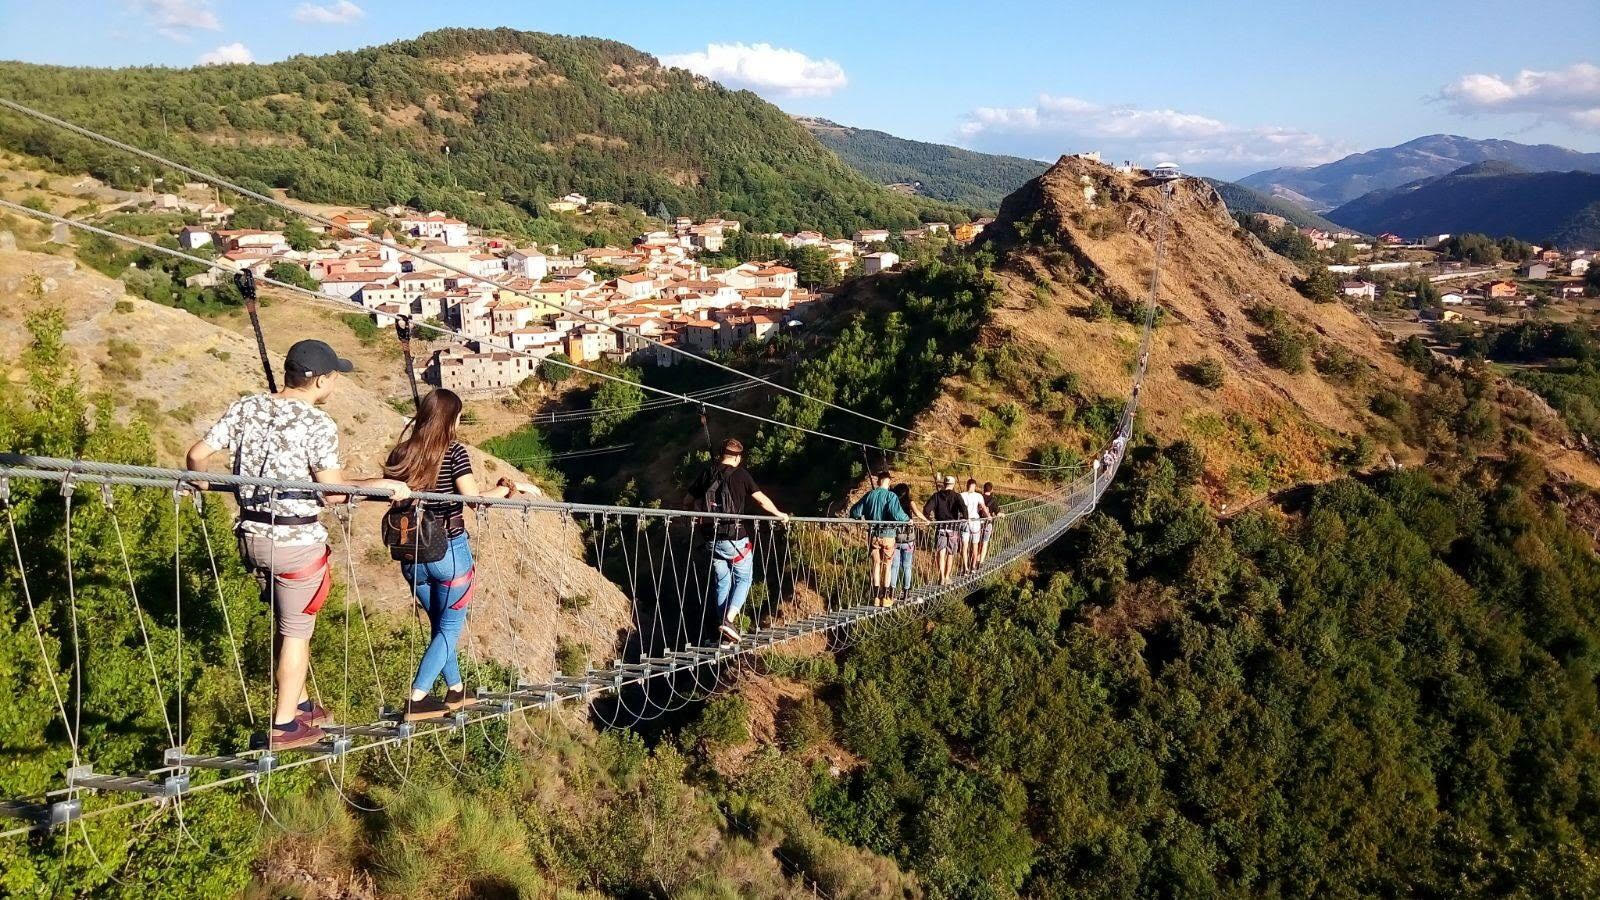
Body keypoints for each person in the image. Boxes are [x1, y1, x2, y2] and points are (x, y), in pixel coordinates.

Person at [187, 339, 411, 751]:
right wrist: (383, 485)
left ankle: (302, 702)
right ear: (321, 380)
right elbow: (334, 493)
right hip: (296, 546)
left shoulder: (247, 407)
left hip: (250, 538)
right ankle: (285, 725)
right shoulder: (318, 424)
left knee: (288, 624)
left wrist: (201, 482)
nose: (335, 387)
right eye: (334, 380)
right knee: (295, 633)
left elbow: (197, 454)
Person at [382, 388, 535, 722]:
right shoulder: (453, 452)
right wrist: (508, 489)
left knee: (440, 624)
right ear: (451, 419)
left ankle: (455, 689)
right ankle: (418, 697)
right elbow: (474, 500)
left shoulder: (401, 453)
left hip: (411, 557)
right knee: (450, 628)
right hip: (448, 552)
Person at [687, 439, 788, 645]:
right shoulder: (741, 475)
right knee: (744, 579)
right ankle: (728, 621)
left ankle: (722, 633)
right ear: (737, 457)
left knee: (722, 582)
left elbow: (687, 501)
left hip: (710, 538)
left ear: (721, 454)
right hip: (734, 539)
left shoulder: (707, 473)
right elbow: (760, 499)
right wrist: (780, 514)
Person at [849, 470, 909, 606]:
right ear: (889, 482)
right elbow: (898, 515)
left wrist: (863, 517)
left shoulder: (869, 495)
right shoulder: (891, 496)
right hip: (888, 535)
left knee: (876, 564)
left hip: (874, 535)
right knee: (887, 565)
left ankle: (876, 597)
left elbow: (855, 512)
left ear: (878, 481)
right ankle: (886, 597)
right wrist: (907, 519)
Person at [922, 475, 966, 585]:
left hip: (940, 527)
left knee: (941, 553)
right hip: (953, 528)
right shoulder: (957, 496)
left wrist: (929, 519)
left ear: (944, 484)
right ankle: (947, 576)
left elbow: (926, 510)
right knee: (951, 553)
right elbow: (964, 510)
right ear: (953, 484)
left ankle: (941, 577)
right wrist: (965, 519)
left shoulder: (936, 496)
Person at [887, 483, 926, 602]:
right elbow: (918, 513)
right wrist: (927, 521)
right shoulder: (910, 502)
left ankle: (892, 592)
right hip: (908, 540)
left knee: (894, 566)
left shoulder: (893, 502)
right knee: (907, 566)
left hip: (896, 538)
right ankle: (906, 592)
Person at [959, 478, 992, 573]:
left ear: (967, 485)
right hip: (976, 522)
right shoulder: (978, 496)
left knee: (964, 546)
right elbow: (984, 508)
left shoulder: (961, 495)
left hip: (965, 522)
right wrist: (988, 516)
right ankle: (973, 566)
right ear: (975, 486)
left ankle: (965, 568)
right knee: (975, 545)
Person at [977, 482, 997, 564]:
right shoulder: (993, 500)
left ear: (983, 489)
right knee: (985, 543)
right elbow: (997, 512)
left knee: (977, 542)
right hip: (987, 523)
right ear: (991, 490)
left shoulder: (978, 497)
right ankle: (981, 562)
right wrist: (1001, 514)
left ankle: (976, 561)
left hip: (977, 522)